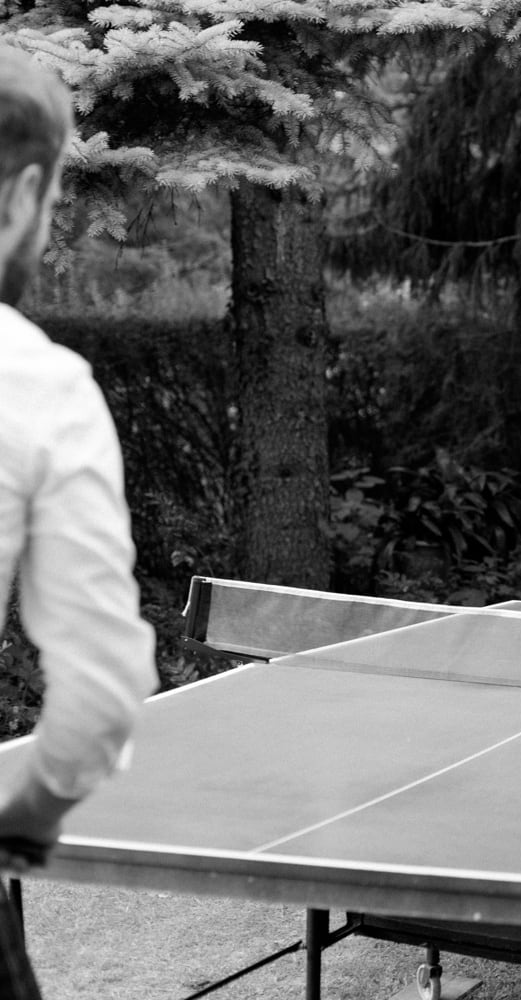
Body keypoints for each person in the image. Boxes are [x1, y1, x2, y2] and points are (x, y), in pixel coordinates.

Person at [0, 46, 158, 995]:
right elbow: (101, 692)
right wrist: (30, 812)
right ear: (20, 197)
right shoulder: (39, 388)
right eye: (53, 205)